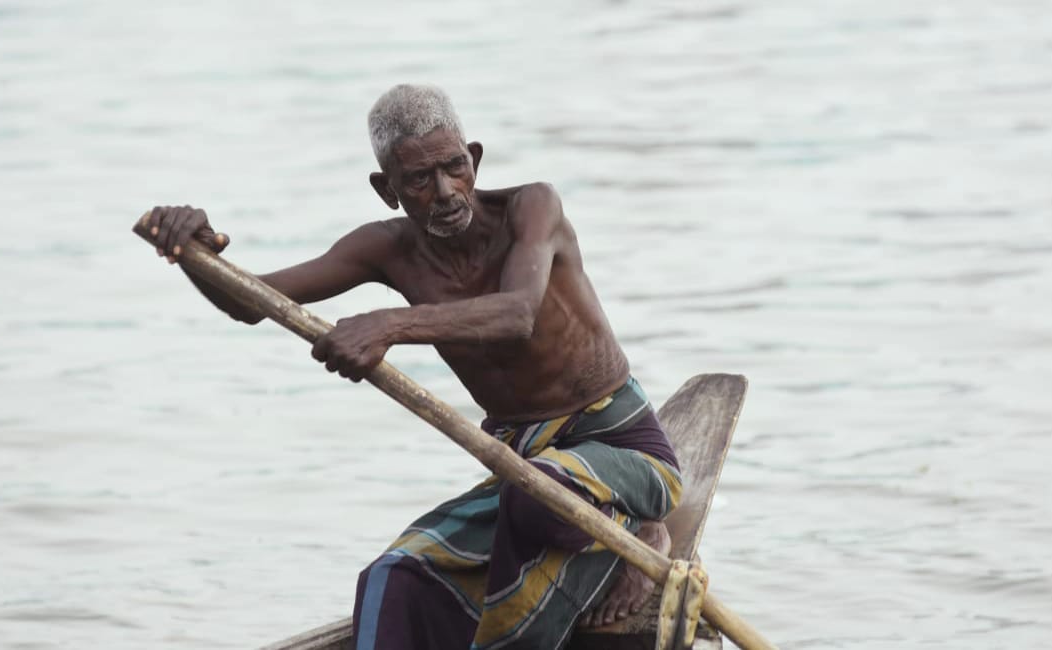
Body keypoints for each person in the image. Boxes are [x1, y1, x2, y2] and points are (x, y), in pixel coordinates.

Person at [138, 84, 683, 650]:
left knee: (540, 493)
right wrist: (193, 256)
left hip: (623, 448)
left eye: (454, 168)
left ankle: (639, 534)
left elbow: (517, 313)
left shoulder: (532, 207)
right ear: (387, 190)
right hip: (523, 461)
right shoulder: (387, 249)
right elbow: (254, 303)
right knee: (391, 577)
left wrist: (390, 325)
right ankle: (583, 538)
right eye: (420, 181)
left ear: (473, 158)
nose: (445, 192)